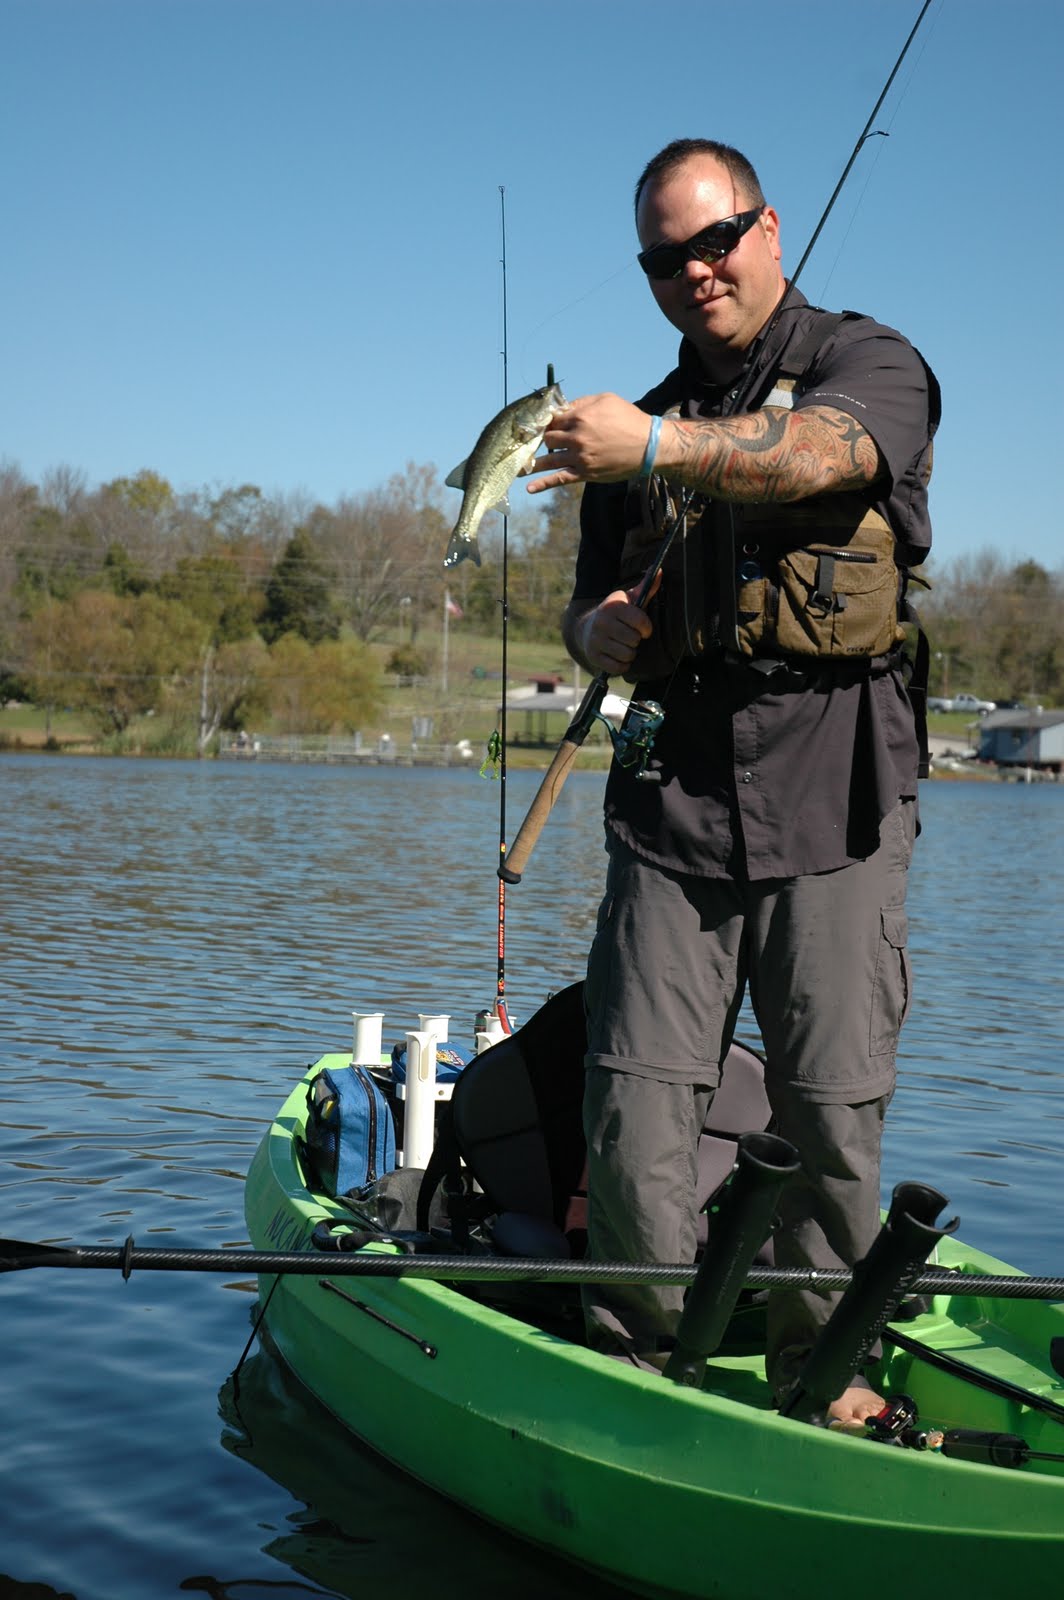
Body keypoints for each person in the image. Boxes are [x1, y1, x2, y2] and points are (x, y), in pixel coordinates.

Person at [525, 138, 939, 1426]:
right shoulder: (626, 435)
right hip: (673, 804)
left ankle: (830, 1371)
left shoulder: (873, 365)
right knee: (637, 1103)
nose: (696, 270)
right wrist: (589, 631)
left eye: (718, 239)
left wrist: (656, 444)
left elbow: (815, 456)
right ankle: (642, 1360)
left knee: (829, 1104)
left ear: (770, 228)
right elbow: (590, 601)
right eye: (666, 256)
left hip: (839, 794)